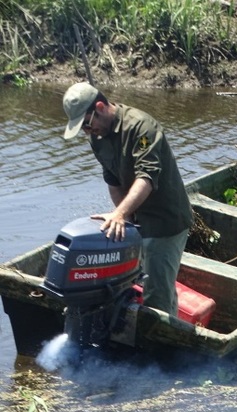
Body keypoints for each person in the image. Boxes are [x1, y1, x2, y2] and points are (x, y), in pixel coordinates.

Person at [62, 82, 194, 315]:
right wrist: (124, 217)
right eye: (82, 128)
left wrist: (120, 213)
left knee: (157, 296)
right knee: (126, 283)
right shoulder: (97, 136)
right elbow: (112, 180)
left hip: (165, 221)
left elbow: (147, 178)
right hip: (137, 218)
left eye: (86, 124)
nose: (87, 131)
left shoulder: (141, 127)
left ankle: (164, 347)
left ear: (100, 107)